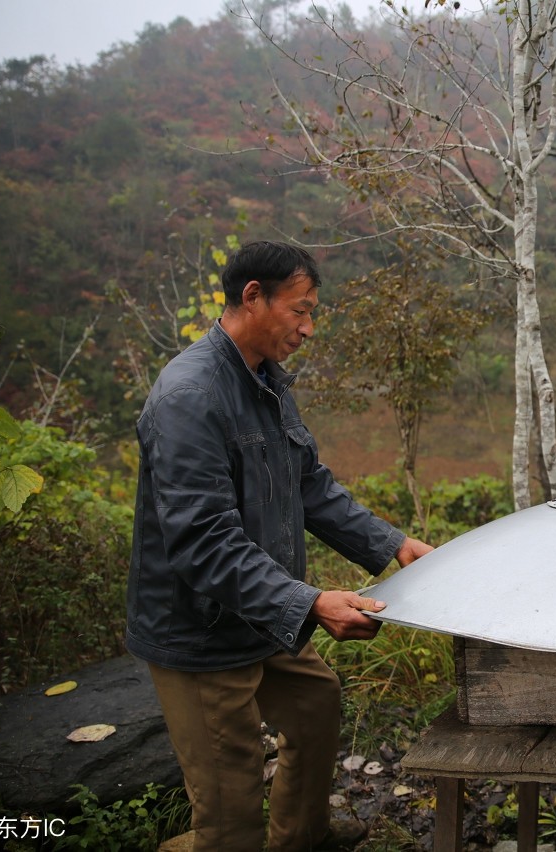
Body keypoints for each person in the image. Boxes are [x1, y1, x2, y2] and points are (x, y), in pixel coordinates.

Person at [126, 240, 433, 851]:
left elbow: (308, 483)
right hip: (201, 629)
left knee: (316, 703)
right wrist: (313, 602)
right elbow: (202, 542)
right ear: (252, 297)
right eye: (300, 311)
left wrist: (393, 545)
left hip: (261, 613)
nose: (309, 328)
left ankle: (301, 836)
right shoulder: (190, 396)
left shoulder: (264, 379)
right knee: (230, 797)